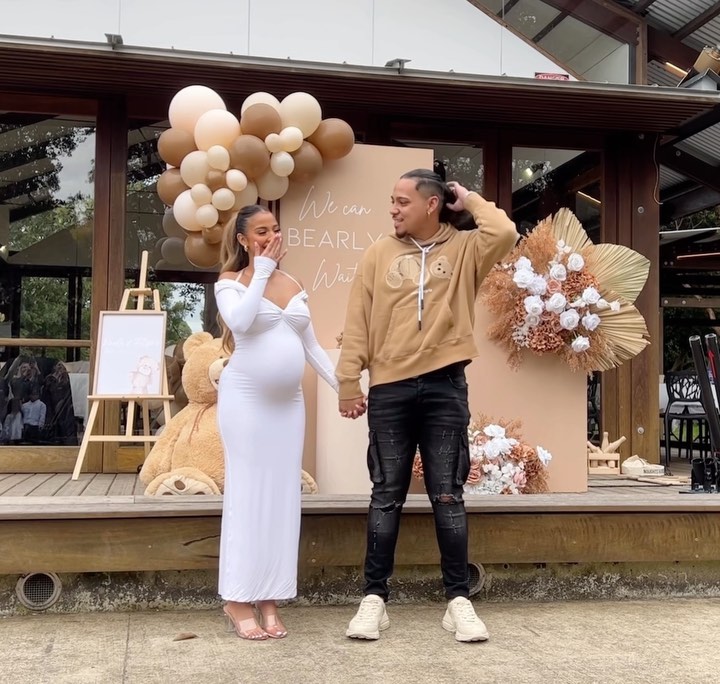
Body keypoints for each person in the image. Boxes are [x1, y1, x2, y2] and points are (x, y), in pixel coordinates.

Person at [337, 169, 518, 642]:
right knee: (386, 495)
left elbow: (504, 231)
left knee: (448, 495)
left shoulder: (465, 250)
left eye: (402, 201)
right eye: (391, 200)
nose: (393, 209)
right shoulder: (378, 253)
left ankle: (458, 601)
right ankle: (374, 599)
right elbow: (357, 321)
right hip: (389, 389)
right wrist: (348, 382)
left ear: (432, 204)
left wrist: (468, 197)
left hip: (445, 387)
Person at [214, 204, 339, 641]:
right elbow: (240, 321)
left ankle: (269, 596)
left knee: (282, 499)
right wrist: (261, 270)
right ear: (243, 239)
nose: (271, 237)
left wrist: (346, 389)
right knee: (248, 495)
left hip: (289, 406)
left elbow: (312, 347)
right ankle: (237, 598)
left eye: (275, 229)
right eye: (261, 232)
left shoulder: (295, 284)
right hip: (246, 402)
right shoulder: (230, 282)